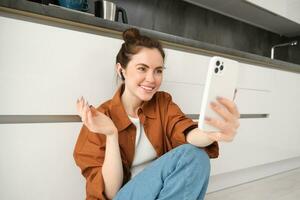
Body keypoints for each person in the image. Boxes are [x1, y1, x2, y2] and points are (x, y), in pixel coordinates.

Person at [74, 28, 240, 200]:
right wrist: (111, 134)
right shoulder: (99, 119)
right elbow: (111, 193)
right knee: (193, 156)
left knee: (198, 156)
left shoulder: (162, 103)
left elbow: (185, 132)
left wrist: (212, 133)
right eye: (142, 69)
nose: (151, 79)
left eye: (158, 71)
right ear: (121, 69)